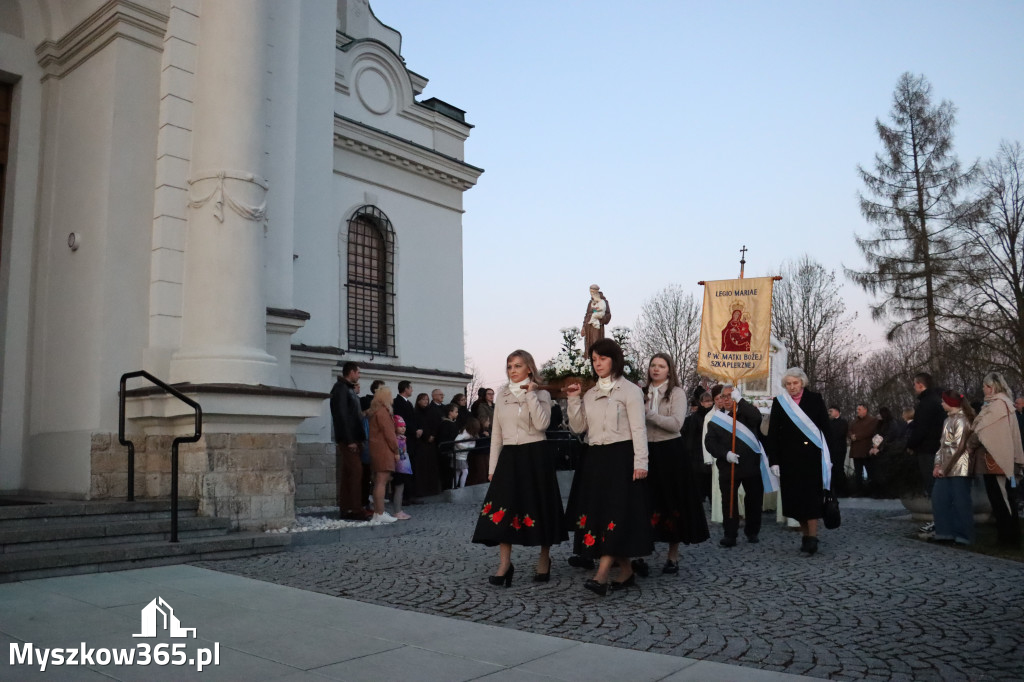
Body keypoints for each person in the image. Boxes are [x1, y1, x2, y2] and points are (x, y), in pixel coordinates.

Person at [472, 350, 566, 586]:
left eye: (517, 366)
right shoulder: (502, 395)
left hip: (536, 454)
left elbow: (543, 424)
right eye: (509, 366)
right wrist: (492, 468)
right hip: (510, 457)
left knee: (540, 506)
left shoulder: (542, 393)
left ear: (529, 369)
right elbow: (497, 435)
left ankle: (544, 558)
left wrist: (531, 395)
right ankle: (505, 564)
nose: (512, 370)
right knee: (505, 508)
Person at [566, 337, 651, 595]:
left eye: (602, 358)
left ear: (614, 359)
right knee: (599, 515)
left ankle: (601, 575)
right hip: (595, 458)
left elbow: (639, 429)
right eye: (594, 360)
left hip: (622, 457)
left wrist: (641, 462)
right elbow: (579, 428)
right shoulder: (590, 394)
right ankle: (625, 571)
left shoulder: (630, 391)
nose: (598, 364)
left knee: (616, 514)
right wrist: (573, 400)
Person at [634, 353, 708, 576]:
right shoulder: (641, 392)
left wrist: (649, 413)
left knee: (672, 502)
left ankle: (672, 556)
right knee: (643, 503)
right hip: (646, 451)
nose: (656, 369)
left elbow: (676, 424)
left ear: (669, 370)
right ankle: (639, 554)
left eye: (661, 366)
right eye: (653, 366)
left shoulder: (676, 393)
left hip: (670, 451)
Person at [765, 367, 832, 555]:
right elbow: (773, 434)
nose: (792, 387)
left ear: (802, 382)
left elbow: (825, 429)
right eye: (788, 384)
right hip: (789, 459)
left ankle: (812, 537)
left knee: (811, 500)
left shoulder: (815, 399)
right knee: (796, 501)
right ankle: (805, 536)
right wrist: (774, 460)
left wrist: (829, 457)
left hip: (811, 458)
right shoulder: (780, 402)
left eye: (795, 383)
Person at [968, 372, 1024, 548]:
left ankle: (1008, 538)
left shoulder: (998, 405)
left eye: (985, 386)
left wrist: (970, 443)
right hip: (1000, 459)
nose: (983, 389)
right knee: (1004, 498)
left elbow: (982, 431)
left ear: (992, 387)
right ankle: (1008, 535)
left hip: (997, 459)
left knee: (1002, 499)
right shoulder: (1004, 404)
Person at [705, 383, 765, 547]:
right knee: (729, 501)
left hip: (750, 465)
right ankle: (730, 534)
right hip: (728, 465)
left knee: (753, 499)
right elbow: (709, 442)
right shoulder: (716, 420)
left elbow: (757, 418)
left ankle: (752, 531)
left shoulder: (746, 413)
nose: (726, 400)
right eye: (723, 397)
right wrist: (725, 454)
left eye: (730, 396)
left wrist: (741, 401)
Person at [930, 391, 976, 545]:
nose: (941, 404)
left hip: (960, 468)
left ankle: (963, 535)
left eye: (944, 401)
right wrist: (937, 464)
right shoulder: (947, 420)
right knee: (939, 499)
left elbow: (958, 447)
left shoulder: (962, 420)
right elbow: (942, 445)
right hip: (945, 466)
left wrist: (944, 468)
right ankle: (944, 533)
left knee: (960, 501)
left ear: (951, 403)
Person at [329, 362, 370, 520]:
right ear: (351, 372)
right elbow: (341, 416)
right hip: (349, 439)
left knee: (349, 473)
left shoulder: (347, 389)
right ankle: (355, 509)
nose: (359, 375)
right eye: (358, 372)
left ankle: (347, 508)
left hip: (354, 438)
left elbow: (353, 415)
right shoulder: (340, 389)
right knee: (355, 472)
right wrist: (350, 440)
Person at [907, 372, 945, 499]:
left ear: (920, 384)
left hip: (927, 450)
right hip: (937, 448)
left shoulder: (926, 404)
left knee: (932, 485)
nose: (913, 387)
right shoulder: (936, 400)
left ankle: (939, 517)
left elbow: (920, 429)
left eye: (914, 384)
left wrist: (911, 444)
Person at [366, 386, 399, 524]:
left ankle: (377, 513)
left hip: (376, 449)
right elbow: (390, 435)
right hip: (384, 450)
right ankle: (380, 513)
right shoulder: (383, 412)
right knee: (381, 482)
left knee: (378, 482)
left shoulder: (375, 412)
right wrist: (396, 450)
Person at [413, 393, 442, 497]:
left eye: (427, 399)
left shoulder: (431, 412)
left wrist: (433, 435)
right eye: (423, 399)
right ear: (418, 401)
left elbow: (436, 424)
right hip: (421, 444)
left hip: (431, 444)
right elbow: (417, 426)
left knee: (431, 466)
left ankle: (432, 489)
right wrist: (426, 436)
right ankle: (421, 490)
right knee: (422, 467)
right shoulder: (416, 412)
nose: (425, 401)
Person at [847, 404, 879, 496]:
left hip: (866, 450)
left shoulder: (872, 420)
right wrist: (851, 436)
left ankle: (873, 491)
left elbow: (869, 431)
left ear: (865, 410)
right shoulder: (854, 421)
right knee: (858, 473)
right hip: (856, 451)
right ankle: (859, 491)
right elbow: (849, 430)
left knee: (870, 472)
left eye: (859, 409)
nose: (857, 411)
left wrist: (856, 436)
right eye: (857, 409)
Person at [391, 415, 412, 520]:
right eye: (400, 426)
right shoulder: (395, 439)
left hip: (404, 467)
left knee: (401, 488)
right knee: (398, 489)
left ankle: (399, 509)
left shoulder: (402, 438)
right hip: (398, 468)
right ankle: (397, 511)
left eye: (404, 426)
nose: (403, 428)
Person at [580, 284, 611, 354]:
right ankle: (587, 362)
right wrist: (583, 327)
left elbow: (608, 315)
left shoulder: (603, 302)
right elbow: (587, 315)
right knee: (588, 345)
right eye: (590, 292)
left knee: (596, 345)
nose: (591, 293)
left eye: (593, 292)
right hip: (588, 326)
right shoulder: (590, 303)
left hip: (597, 327)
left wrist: (600, 321)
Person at [827, 406, 849, 497]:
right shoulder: (829, 422)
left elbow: (840, 434)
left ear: (837, 412)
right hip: (831, 449)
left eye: (831, 411)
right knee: (832, 470)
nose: (829, 413)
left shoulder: (843, 422)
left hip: (839, 449)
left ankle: (843, 491)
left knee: (839, 469)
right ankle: (834, 490)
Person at [454, 417, 481, 489]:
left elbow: (473, 444)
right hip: (459, 455)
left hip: (463, 455)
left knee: (458, 472)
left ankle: (454, 487)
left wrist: (469, 447)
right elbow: (457, 441)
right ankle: (461, 488)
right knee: (465, 472)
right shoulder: (464, 433)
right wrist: (466, 447)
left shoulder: (472, 434)